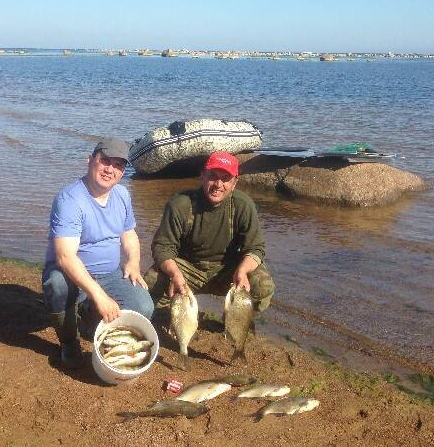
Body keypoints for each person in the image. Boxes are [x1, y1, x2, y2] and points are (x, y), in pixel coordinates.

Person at [42, 138, 154, 369]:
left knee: (144, 307)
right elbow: (65, 257)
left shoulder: (122, 194)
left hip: (110, 273)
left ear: (122, 172)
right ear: (90, 160)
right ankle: (68, 342)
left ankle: (89, 317)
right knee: (57, 285)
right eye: (105, 161)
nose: (110, 169)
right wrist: (99, 295)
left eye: (118, 165)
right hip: (70, 274)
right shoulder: (69, 200)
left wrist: (133, 262)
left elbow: (129, 234)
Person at [144, 151, 275, 320]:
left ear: (234, 183)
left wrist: (242, 271)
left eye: (226, 178)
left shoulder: (243, 205)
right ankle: (173, 318)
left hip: (227, 272)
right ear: (202, 176)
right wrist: (175, 274)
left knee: (263, 286)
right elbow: (162, 247)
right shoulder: (180, 204)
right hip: (188, 269)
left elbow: (256, 248)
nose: (218, 184)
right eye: (213, 176)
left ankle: (236, 321)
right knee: (151, 281)